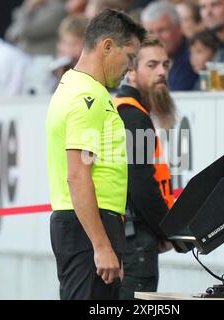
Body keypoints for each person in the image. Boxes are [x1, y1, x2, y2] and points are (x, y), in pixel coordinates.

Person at [46, 8, 146, 300]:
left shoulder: (75, 87)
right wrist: (101, 245)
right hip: (89, 226)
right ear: (106, 46)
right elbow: (78, 175)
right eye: (129, 57)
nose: (130, 68)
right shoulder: (86, 97)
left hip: (85, 224)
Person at [115, 37, 175, 300]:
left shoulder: (125, 110)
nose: (162, 71)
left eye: (165, 64)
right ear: (131, 71)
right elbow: (140, 183)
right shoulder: (133, 116)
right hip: (135, 239)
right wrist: (168, 230)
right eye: (152, 65)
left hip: (127, 235)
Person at [141, 1, 198, 91]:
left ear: (179, 28)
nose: (156, 37)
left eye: (162, 30)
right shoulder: (140, 62)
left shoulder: (195, 56)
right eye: (151, 32)